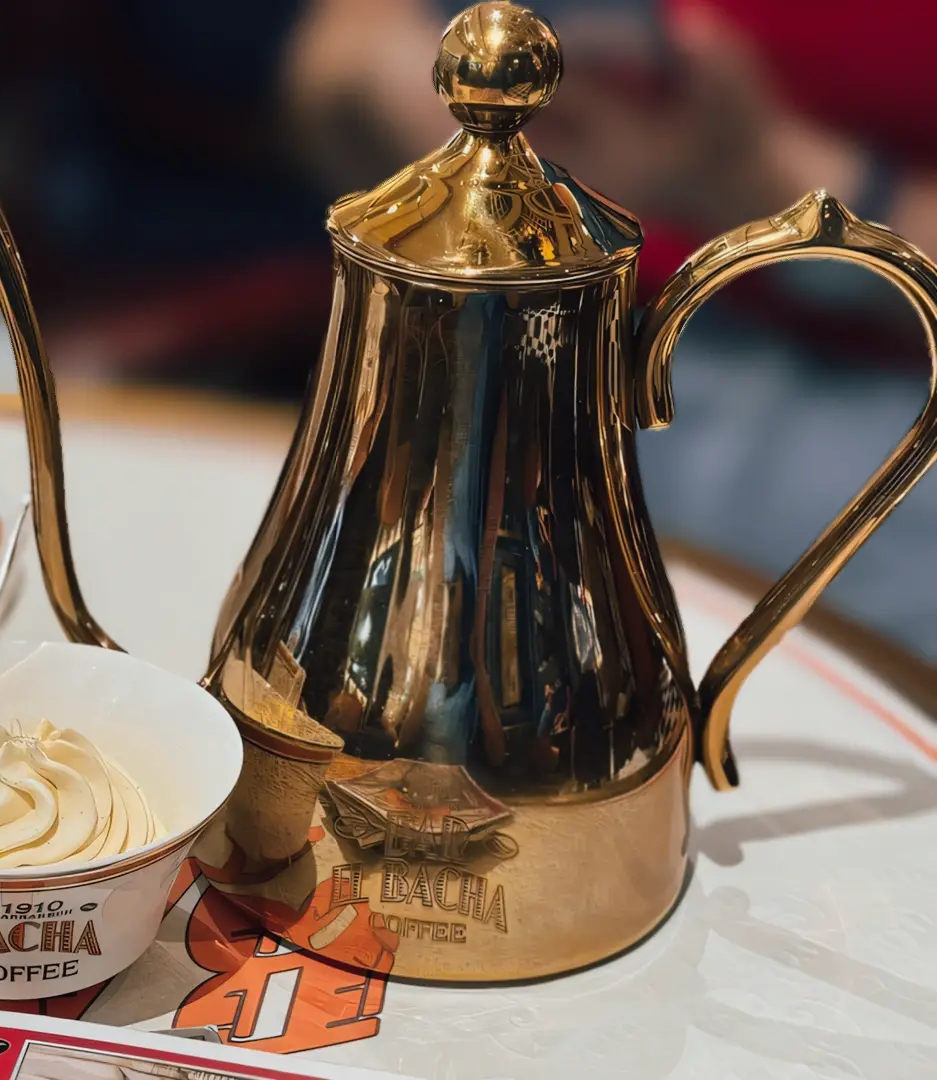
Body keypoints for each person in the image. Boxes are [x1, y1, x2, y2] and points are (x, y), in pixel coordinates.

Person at [287, 0, 937, 658]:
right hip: (519, 338)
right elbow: (331, 63)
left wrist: (763, 167)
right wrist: (395, 80)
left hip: (872, 384)